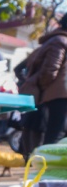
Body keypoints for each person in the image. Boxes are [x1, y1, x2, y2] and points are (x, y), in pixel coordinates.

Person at [18, 14, 67, 158]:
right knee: (55, 136)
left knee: (56, 135)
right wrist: (42, 87)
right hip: (59, 96)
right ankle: (47, 172)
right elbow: (50, 70)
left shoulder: (58, 40)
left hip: (57, 95)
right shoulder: (60, 41)